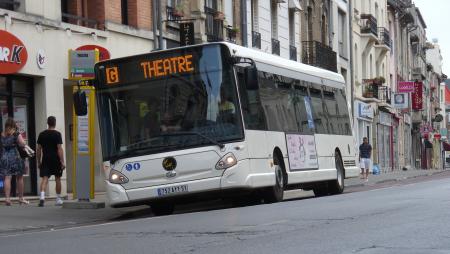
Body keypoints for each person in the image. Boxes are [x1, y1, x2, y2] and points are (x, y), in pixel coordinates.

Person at [36, 116, 65, 207]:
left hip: (46, 159)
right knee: (57, 178)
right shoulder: (57, 134)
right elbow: (59, 149)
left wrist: (39, 161)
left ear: (47, 123)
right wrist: (62, 161)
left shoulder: (42, 134)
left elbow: (39, 149)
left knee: (45, 178)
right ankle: (58, 199)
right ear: (55, 123)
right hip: (55, 159)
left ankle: (42, 198)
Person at [0, 118, 28, 206]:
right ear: (13, 126)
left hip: (4, 157)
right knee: (19, 177)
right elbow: (23, 144)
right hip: (15, 157)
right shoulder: (16, 134)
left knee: (7, 177)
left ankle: (7, 199)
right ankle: (21, 198)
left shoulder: (1, 134)